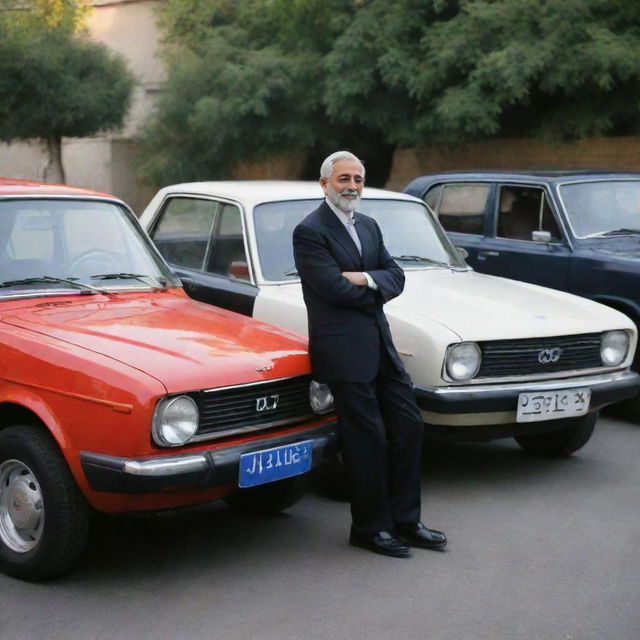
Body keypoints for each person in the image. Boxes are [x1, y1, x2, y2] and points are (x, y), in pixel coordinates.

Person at [292, 150, 447, 558]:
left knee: (409, 426)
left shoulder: (371, 226)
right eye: (343, 179)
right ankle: (370, 528)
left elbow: (396, 277)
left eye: (358, 179)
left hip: (380, 343)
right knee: (367, 438)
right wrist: (373, 290)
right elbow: (331, 289)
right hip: (343, 350)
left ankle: (406, 521)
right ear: (325, 184)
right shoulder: (310, 231)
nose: (352, 186)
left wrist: (364, 279)